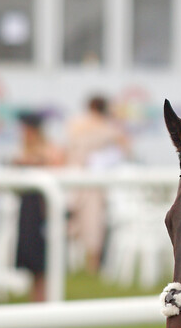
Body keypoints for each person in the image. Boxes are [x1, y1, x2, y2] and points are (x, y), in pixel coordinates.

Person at [66, 95, 130, 273]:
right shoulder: (106, 127)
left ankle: (78, 263)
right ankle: (91, 264)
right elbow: (126, 148)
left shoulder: (75, 123)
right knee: (92, 222)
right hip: (91, 181)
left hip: (73, 178)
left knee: (74, 220)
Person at [12, 110, 65, 301]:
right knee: (31, 260)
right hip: (28, 209)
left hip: (42, 209)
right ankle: (36, 299)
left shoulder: (49, 149)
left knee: (43, 259)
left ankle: (43, 300)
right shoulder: (24, 150)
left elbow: (56, 165)